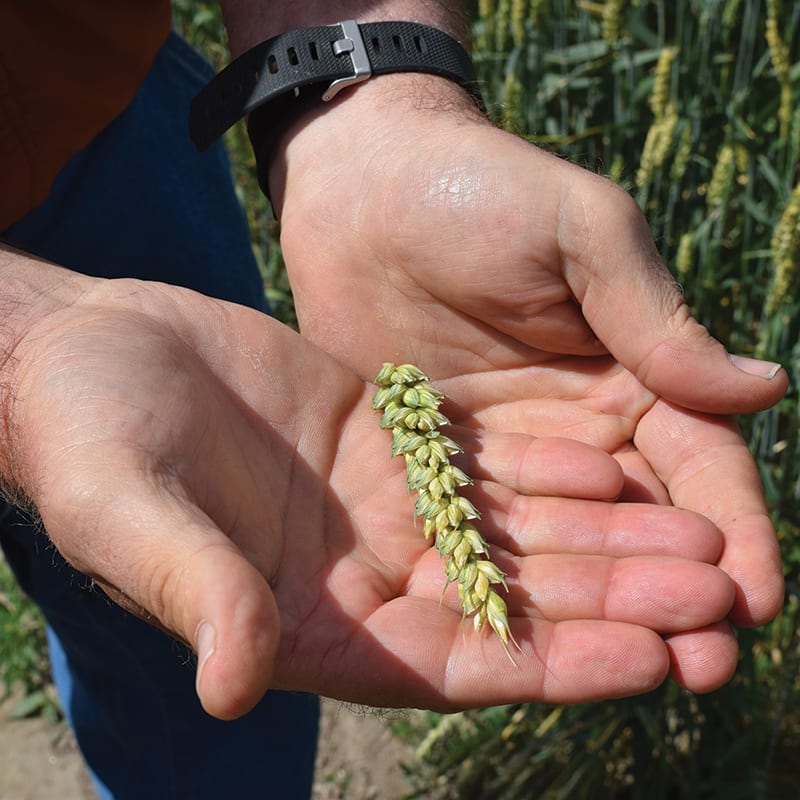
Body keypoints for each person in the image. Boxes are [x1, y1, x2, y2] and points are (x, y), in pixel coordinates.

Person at [0, 1, 787, 798]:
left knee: (218, 637)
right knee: (201, 586)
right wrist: (19, 349)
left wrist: (372, 109)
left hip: (98, 97)